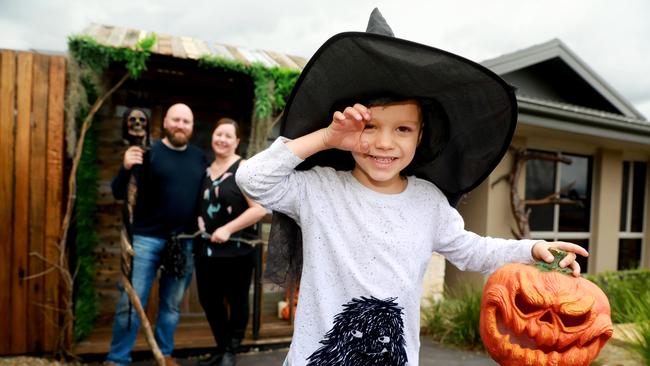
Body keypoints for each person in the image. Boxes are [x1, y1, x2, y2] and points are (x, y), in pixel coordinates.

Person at [235, 9, 589, 366]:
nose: (385, 143)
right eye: (370, 127)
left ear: (421, 135)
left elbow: (473, 251)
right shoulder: (318, 190)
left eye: (402, 129)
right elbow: (252, 179)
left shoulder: (427, 201)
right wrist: (326, 137)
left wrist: (533, 250)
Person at [106, 103, 207, 366]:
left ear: (192, 126)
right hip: (145, 239)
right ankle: (118, 359)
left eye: (186, 121)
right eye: (176, 120)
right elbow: (119, 192)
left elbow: (203, 196)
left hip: (183, 241)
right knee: (130, 302)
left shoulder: (199, 157)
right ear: (165, 122)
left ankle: (164, 353)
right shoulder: (148, 152)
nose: (181, 125)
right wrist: (126, 167)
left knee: (172, 306)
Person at [194, 118, 267, 366]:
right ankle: (221, 348)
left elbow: (259, 210)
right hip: (206, 250)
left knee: (236, 301)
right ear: (212, 137)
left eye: (228, 136)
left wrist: (227, 228)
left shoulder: (243, 169)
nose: (222, 139)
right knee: (209, 300)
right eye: (218, 134)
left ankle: (230, 352)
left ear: (237, 141)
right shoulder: (205, 169)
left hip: (237, 250)